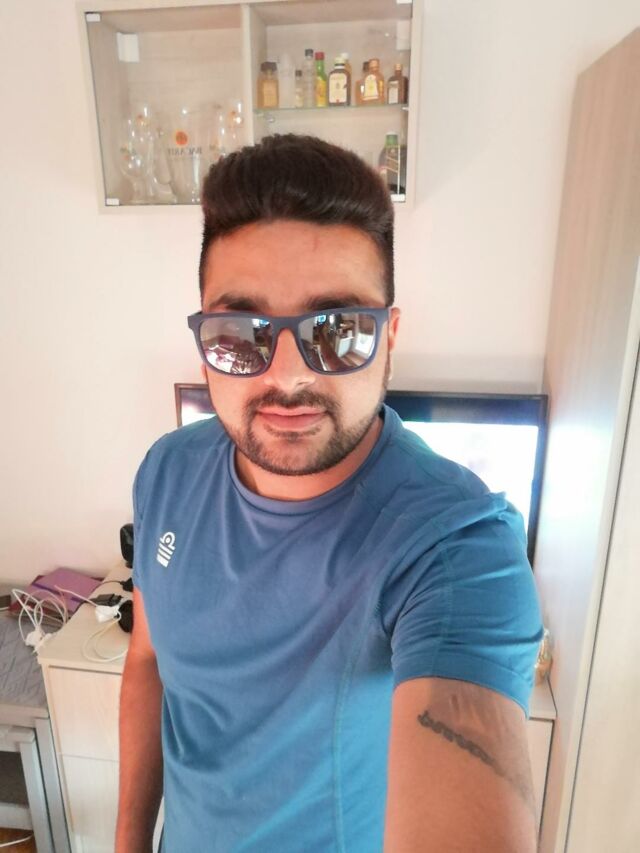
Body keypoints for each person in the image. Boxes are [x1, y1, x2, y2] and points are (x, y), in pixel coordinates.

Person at [116, 134, 544, 853]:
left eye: (338, 330)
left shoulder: (455, 549)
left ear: (390, 336)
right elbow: (148, 662)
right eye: (240, 332)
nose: (286, 376)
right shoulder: (166, 471)